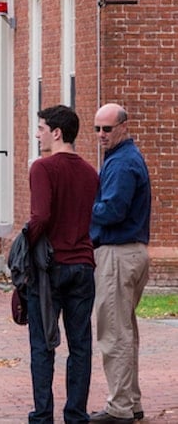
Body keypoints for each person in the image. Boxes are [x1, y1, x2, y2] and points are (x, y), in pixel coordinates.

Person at [23, 105, 98, 424]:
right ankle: (76, 414)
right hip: (83, 265)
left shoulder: (43, 167)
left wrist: (23, 248)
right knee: (80, 345)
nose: (37, 134)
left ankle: (42, 415)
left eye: (40, 128)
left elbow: (40, 217)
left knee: (43, 345)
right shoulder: (90, 172)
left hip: (49, 269)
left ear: (57, 132)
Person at [89, 103, 152, 424]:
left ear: (123, 128)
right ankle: (131, 403)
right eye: (97, 129)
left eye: (107, 129)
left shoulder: (122, 163)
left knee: (114, 333)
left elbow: (112, 210)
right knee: (124, 331)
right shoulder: (121, 159)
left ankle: (120, 409)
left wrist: (81, 208)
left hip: (118, 253)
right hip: (129, 252)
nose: (101, 134)